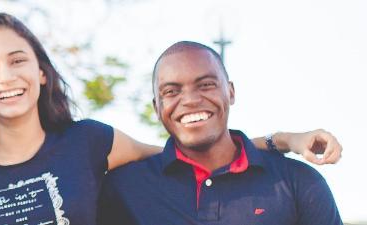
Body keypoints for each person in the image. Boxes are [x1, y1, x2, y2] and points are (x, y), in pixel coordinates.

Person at [0, 13, 343, 225]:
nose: (6, 77)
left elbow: (186, 148)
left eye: (17, 60)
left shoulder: (89, 144)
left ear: (41, 72)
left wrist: (283, 140)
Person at [96, 41, 341, 224]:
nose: (190, 100)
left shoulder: (298, 182)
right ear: (157, 108)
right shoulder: (124, 188)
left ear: (231, 92)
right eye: (171, 91)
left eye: (206, 85)